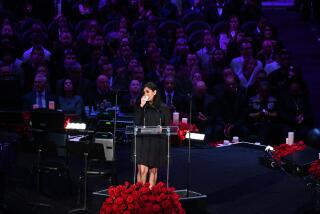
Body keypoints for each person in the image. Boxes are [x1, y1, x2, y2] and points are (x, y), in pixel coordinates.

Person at [134, 82, 170, 188]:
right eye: (144, 92)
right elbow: (136, 122)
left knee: (153, 171)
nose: (145, 94)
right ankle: (140, 196)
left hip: (156, 142)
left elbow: (167, 127)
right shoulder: (140, 106)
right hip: (142, 141)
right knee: (142, 170)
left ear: (154, 92)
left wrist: (161, 129)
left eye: (148, 92)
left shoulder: (163, 108)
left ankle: (149, 198)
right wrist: (141, 106)